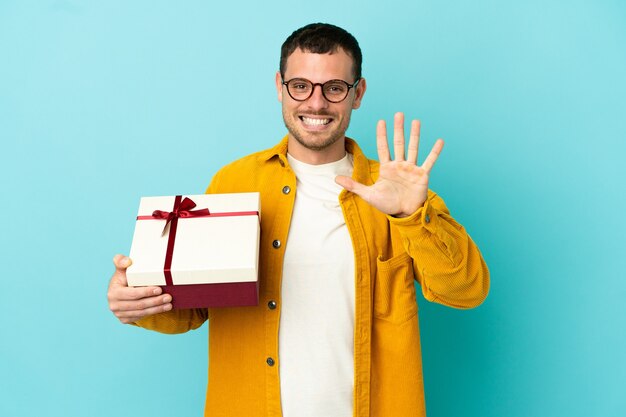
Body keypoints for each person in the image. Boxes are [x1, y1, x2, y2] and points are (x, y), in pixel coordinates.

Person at [108, 22, 489, 417]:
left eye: (334, 88)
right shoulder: (234, 183)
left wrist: (411, 215)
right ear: (280, 86)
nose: (316, 103)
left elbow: (466, 291)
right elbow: (196, 308)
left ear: (357, 94)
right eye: (301, 86)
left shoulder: (397, 191)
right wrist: (137, 300)